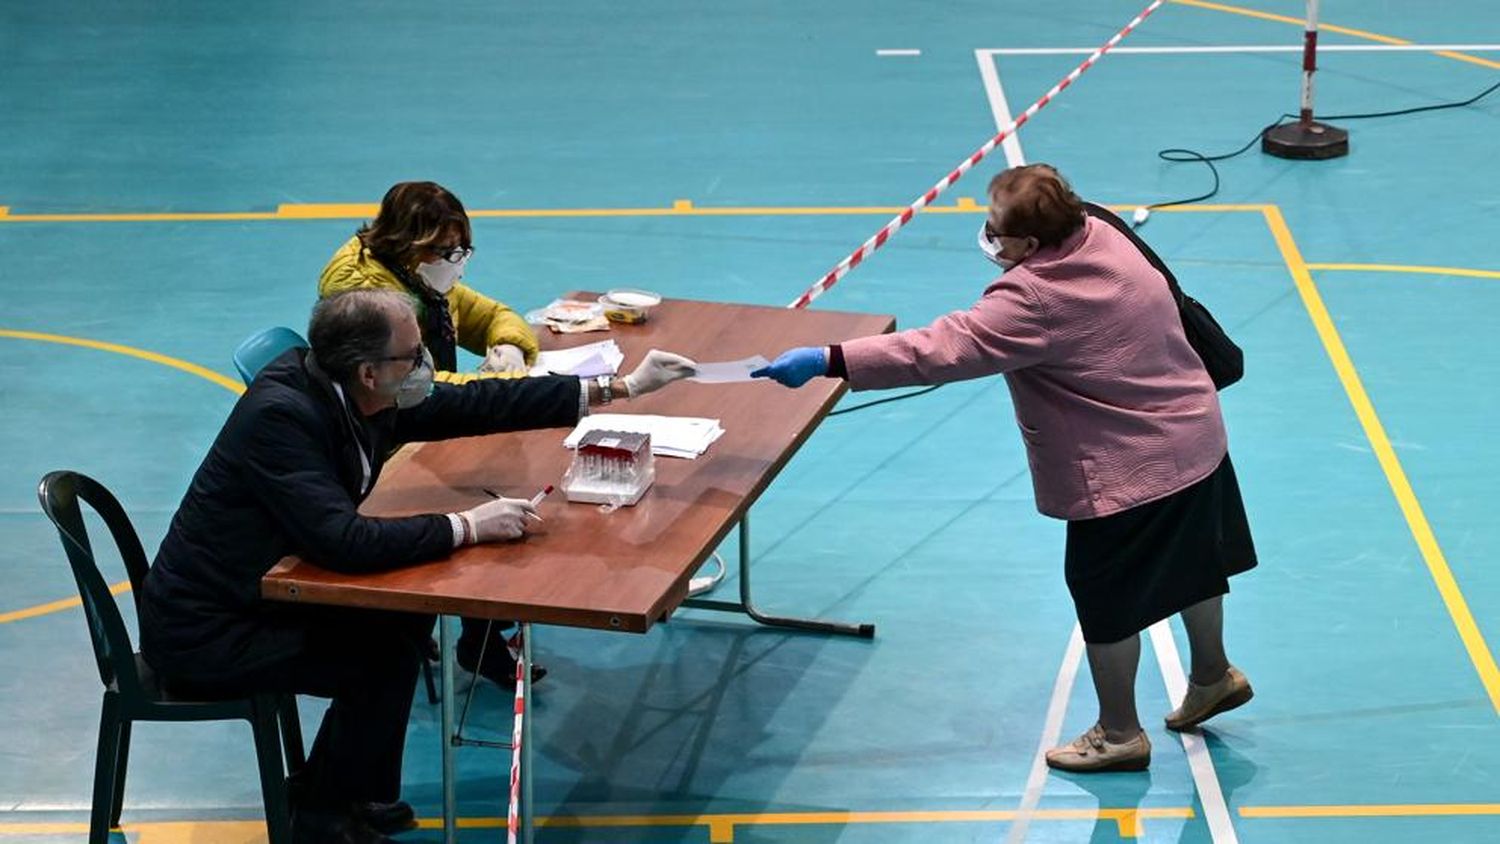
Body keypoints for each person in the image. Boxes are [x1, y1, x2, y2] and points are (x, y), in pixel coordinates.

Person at [753, 164, 1256, 773]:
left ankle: (1120, 732)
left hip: (1129, 471)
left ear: (1033, 245)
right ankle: (1211, 675)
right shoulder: (1103, 227)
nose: (991, 241)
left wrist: (830, 358)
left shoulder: (1034, 297)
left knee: (1107, 603)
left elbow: (939, 348)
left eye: (1000, 233)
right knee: (1194, 564)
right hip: (1195, 436)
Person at [140, 290, 694, 842]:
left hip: (262, 590)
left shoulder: (353, 393)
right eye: (412, 353)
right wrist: (468, 526)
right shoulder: (282, 418)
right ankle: (321, 814)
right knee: (377, 655)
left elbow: (476, 405)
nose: (425, 364)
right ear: (369, 372)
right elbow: (344, 541)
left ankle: (340, 792)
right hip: (210, 629)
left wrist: (616, 388)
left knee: (401, 623)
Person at [318, 181, 549, 689]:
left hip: (417, 421)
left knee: (499, 462)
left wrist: (508, 346)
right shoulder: (372, 300)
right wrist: (490, 390)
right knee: (487, 487)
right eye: (446, 250)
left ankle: (481, 629)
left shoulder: (419, 280)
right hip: (382, 434)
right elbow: (408, 385)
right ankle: (477, 631)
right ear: (407, 243)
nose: (457, 261)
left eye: (462, 248)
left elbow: (492, 315)